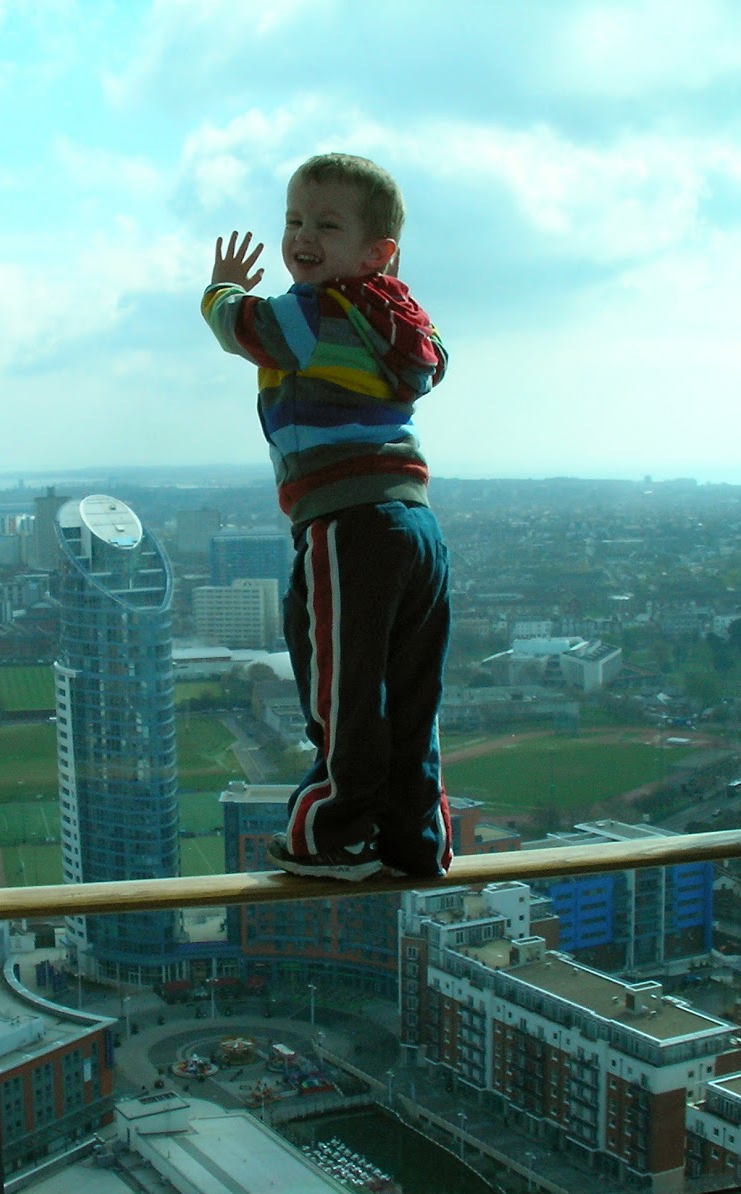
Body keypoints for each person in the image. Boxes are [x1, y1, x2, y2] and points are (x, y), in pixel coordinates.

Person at [200, 152, 453, 881]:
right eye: (295, 220)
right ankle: (415, 842)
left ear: (377, 253)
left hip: (348, 523)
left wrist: (221, 288)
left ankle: (332, 835)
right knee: (411, 692)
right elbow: (435, 359)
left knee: (338, 688)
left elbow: (240, 326)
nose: (302, 236)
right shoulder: (404, 327)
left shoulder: (316, 311)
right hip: (415, 524)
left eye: (325, 224)